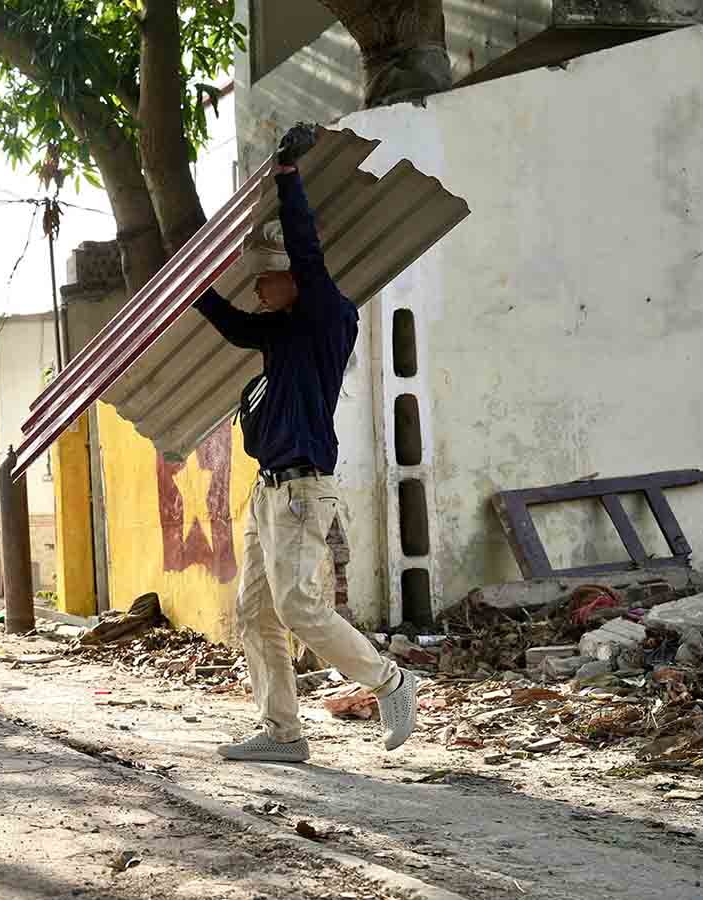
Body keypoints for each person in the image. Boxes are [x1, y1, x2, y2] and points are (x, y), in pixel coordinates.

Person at [192, 139, 419, 763]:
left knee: (296, 605)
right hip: (267, 492)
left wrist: (289, 178)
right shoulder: (279, 334)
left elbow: (309, 252)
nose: (257, 289)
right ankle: (283, 733)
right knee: (255, 613)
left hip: (301, 490)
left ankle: (389, 681)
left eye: (266, 277)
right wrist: (195, 289)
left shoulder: (325, 317)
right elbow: (235, 325)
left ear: (293, 278)